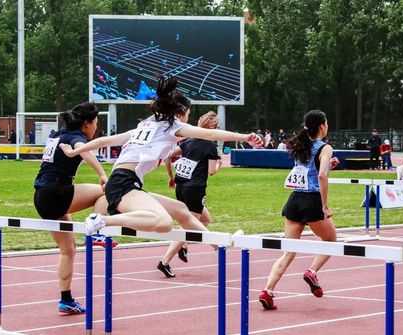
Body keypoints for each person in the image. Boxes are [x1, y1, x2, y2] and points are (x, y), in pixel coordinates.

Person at [58, 76, 262, 249]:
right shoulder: (173, 127)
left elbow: (106, 140)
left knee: (181, 209)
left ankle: (218, 245)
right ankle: (101, 221)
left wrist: (75, 150)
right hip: (123, 184)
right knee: (163, 222)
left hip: (125, 182)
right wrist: (245, 137)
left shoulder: (145, 125)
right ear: (180, 114)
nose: (188, 119)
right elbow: (210, 133)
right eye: (188, 115)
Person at [33, 102, 112, 314]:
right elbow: (82, 151)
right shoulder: (76, 138)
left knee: (68, 250)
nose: (96, 127)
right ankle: (98, 232)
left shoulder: (59, 134)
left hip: (41, 197)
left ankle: (65, 299)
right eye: (95, 122)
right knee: (106, 191)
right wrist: (102, 174)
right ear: (86, 123)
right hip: (56, 192)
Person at [258, 110, 337, 310]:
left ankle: (267, 291)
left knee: (288, 251)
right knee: (330, 241)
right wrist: (324, 205)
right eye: (327, 123)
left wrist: (329, 166)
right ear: (322, 126)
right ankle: (312, 271)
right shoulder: (325, 147)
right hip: (312, 201)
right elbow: (320, 176)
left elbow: (309, 169)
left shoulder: (301, 144)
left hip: (294, 200)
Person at [155, 111, 223, 277]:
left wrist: (171, 178)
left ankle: (184, 246)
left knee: (205, 220)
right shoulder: (210, 146)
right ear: (212, 127)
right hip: (195, 189)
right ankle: (165, 261)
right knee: (188, 225)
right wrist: (219, 163)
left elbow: (168, 158)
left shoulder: (188, 141)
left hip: (181, 187)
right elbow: (212, 171)